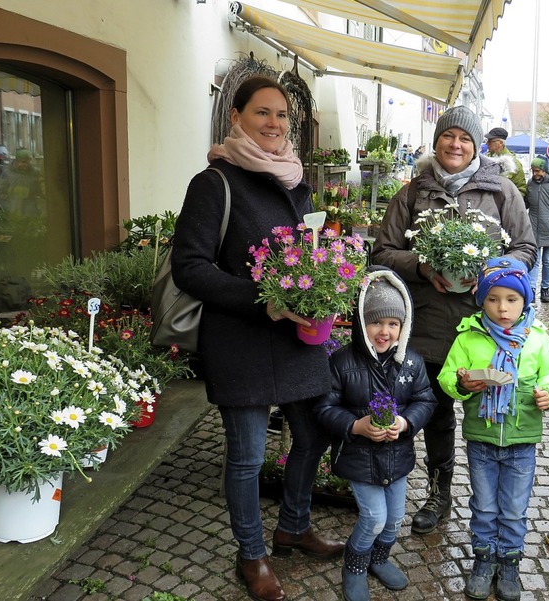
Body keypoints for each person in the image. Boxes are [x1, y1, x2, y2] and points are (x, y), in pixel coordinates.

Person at [171, 75, 344, 601]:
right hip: (241, 339)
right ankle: (252, 555)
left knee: (312, 437)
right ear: (236, 117)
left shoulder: (295, 181)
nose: (274, 124)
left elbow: (305, 255)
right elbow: (190, 268)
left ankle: (293, 525)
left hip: (295, 338)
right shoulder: (214, 182)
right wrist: (260, 299)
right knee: (246, 455)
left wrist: (326, 282)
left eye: (282, 116)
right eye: (262, 113)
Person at [371, 105, 536, 536]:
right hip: (426, 324)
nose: (456, 145)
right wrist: (425, 265)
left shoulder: (502, 192)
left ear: (478, 144)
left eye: (465, 138)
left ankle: (497, 506)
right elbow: (383, 251)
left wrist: (489, 272)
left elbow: (526, 248)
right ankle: (439, 493)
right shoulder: (412, 193)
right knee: (437, 412)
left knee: (492, 412)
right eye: (449, 136)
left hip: (488, 329)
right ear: (437, 141)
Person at [314, 267, 437, 601]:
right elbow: (324, 408)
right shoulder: (341, 361)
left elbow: (426, 399)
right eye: (376, 322)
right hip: (358, 457)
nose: (384, 332)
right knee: (375, 517)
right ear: (361, 323)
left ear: (403, 326)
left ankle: (378, 560)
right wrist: (356, 426)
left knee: (396, 518)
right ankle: (353, 568)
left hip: (397, 457)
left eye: (393, 324)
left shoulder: (411, 362)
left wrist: (407, 422)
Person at [438, 257, 549, 601]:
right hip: (481, 440)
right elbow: (447, 375)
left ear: (525, 301)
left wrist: (548, 393)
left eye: (512, 299)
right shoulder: (469, 337)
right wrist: (462, 385)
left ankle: (510, 563)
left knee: (515, 509)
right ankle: (484, 560)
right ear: (481, 300)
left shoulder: (536, 339)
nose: (502, 308)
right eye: (493, 299)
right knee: (485, 506)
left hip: (522, 441)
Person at [525, 155, 549, 303]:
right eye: (533, 170)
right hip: (534, 227)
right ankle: (532, 289)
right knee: (534, 260)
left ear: (544, 170)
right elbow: (525, 204)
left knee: (548, 261)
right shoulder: (530, 183)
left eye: (537, 170)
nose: (535, 173)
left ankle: (545, 289)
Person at [0, 148, 43, 218]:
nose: (26, 164)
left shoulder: (36, 173)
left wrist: (37, 208)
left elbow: (41, 192)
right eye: (23, 162)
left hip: (31, 214)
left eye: (28, 161)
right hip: (13, 215)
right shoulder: (7, 173)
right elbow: (0, 194)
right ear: (16, 161)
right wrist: (10, 208)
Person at [484, 127, 527, 197]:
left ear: (500, 143)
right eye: (487, 140)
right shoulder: (485, 159)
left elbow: (521, 189)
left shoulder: (514, 164)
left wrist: (510, 204)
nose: (487, 143)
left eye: (490, 141)